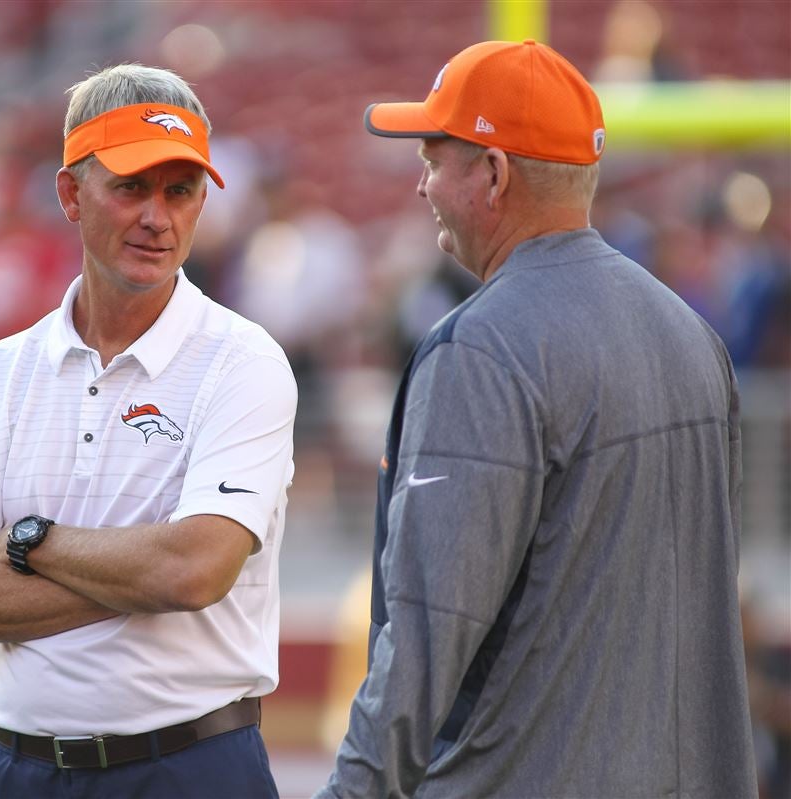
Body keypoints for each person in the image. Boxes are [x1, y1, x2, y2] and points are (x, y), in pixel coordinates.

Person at [316, 40, 757, 798]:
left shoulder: (480, 348)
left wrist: (351, 791)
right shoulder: (692, 335)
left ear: (492, 173)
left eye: (434, 157)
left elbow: (427, 632)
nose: (422, 186)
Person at [0, 64, 295, 799]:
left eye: (180, 190)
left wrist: (29, 542)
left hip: (189, 766)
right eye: (132, 186)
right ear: (70, 195)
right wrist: (145, 570)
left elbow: (192, 570)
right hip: (8, 766)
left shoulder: (244, 363)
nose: (159, 216)